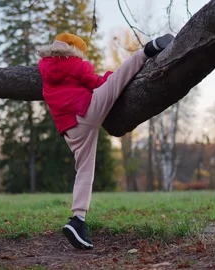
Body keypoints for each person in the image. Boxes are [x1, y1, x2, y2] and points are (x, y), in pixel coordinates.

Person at [37, 32, 174, 249]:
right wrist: (108, 78)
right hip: (86, 111)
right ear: (73, 49)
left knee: (84, 170)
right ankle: (147, 51)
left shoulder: (44, 70)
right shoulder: (75, 64)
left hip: (69, 128)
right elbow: (97, 82)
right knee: (117, 79)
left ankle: (77, 220)